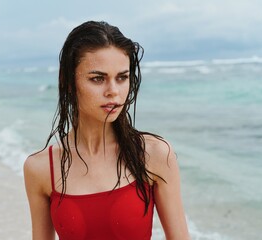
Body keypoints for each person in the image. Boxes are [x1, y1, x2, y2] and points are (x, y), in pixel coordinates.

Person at [24, 20, 190, 240]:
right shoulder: (41, 168)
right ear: (68, 83)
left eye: (122, 77)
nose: (113, 91)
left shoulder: (153, 155)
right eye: (98, 79)